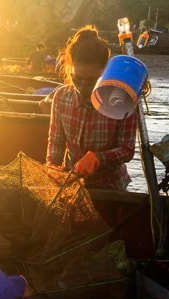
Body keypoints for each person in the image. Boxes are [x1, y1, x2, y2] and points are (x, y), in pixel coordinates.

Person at [45, 25, 137, 190]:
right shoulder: (61, 97)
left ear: (105, 73)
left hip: (110, 187)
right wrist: (53, 167)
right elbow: (56, 142)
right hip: (72, 185)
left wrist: (99, 158)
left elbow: (127, 149)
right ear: (69, 69)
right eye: (77, 79)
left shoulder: (122, 101)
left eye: (91, 80)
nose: (83, 86)